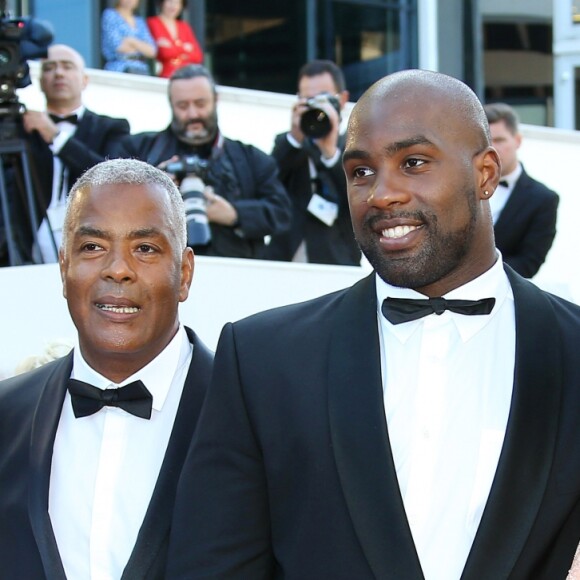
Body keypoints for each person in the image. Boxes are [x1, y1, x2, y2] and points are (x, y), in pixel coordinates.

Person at [166, 70, 580, 579]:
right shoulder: (261, 361)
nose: (382, 194)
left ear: (486, 174)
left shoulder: (572, 350)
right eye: (361, 172)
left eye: (413, 163)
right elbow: (212, 566)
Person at [0, 158, 213, 579]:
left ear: (185, 273)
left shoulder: (253, 413)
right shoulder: (6, 415)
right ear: (63, 268)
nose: (117, 269)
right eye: (93, 247)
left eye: (145, 248)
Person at [116, 64, 291, 259]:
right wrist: (150, 188)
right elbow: (111, 206)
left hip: (236, 274)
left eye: (200, 104)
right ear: (171, 105)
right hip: (157, 274)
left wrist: (234, 214)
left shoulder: (251, 157)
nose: (192, 114)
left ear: (216, 101)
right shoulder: (136, 150)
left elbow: (281, 212)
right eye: (182, 106)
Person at [18, 43, 130, 263]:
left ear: (84, 80)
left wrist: (56, 136)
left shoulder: (112, 127)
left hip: (92, 229)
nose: (58, 73)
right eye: (49, 68)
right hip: (28, 233)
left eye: (67, 66)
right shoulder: (21, 130)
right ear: (40, 82)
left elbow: (111, 177)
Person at [263, 59, 361, 266]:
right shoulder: (287, 143)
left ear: (342, 100)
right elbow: (269, 182)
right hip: (284, 260)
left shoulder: (357, 147)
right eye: (308, 99)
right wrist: (295, 137)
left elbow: (358, 198)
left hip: (336, 261)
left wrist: (330, 152)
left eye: (323, 98)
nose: (316, 106)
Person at [484, 102, 559, 278]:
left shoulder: (543, 199)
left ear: (517, 140)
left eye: (499, 140)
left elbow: (529, 262)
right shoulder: (461, 188)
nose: (492, 148)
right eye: (486, 141)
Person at [147, 0, 203, 78]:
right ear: (162, 3)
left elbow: (198, 57)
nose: (173, 6)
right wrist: (184, 48)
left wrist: (172, 47)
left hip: (186, 76)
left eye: (177, 3)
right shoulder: (153, 23)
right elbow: (164, 53)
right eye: (170, 2)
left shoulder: (185, 27)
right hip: (164, 75)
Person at [101, 0, 157, 75]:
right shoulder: (110, 15)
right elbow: (118, 46)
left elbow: (152, 51)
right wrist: (141, 47)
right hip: (119, 69)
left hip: (142, 70)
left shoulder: (139, 21)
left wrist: (131, 41)